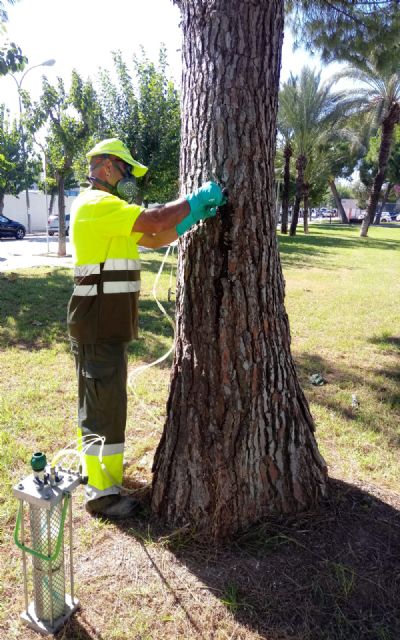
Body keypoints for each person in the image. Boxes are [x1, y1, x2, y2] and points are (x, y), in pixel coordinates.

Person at [67, 138, 225, 519]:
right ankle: (102, 495)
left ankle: (95, 475)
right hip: (98, 323)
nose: (129, 178)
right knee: (104, 408)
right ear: (105, 167)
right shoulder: (97, 205)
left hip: (105, 323)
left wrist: (193, 217)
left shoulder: (111, 212)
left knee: (102, 403)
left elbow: (154, 238)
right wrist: (194, 198)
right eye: (125, 170)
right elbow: (154, 221)